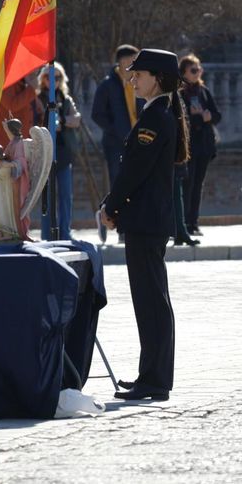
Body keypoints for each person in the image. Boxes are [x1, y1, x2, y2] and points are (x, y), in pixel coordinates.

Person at [98, 48, 183, 402]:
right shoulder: (158, 115)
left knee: (151, 302)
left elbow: (133, 172)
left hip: (145, 220)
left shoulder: (155, 118)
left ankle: (156, 379)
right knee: (150, 300)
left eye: (139, 74)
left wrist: (110, 204)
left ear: (158, 78)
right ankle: (151, 375)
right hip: (147, 219)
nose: (132, 79)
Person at [38, 62, 84, 241]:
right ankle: (46, 235)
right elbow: (37, 120)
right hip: (45, 153)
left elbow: (76, 119)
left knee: (65, 196)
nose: (53, 81)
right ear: (42, 79)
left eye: (57, 77)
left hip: (64, 153)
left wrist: (62, 121)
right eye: (49, 77)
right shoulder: (38, 98)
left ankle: (65, 232)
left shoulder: (65, 99)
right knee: (46, 197)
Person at [176, 54, 220, 237]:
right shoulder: (180, 92)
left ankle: (193, 222)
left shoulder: (203, 91)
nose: (198, 72)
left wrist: (205, 117)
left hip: (204, 146)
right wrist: (199, 118)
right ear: (184, 72)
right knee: (188, 184)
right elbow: (182, 119)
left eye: (199, 69)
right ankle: (184, 222)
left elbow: (217, 115)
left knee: (198, 185)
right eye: (194, 70)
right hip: (188, 147)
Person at [90, 44, 143, 182]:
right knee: (118, 183)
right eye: (135, 59)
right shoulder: (107, 85)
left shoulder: (139, 83)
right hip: (115, 144)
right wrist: (116, 130)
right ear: (124, 61)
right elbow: (97, 114)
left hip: (138, 143)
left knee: (137, 184)